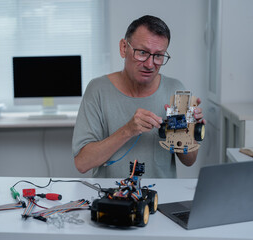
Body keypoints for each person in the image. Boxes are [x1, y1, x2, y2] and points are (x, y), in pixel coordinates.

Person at [72, 15, 205, 178]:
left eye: (158, 56)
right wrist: (128, 130)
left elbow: (189, 160)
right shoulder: (98, 89)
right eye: (142, 52)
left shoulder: (175, 90)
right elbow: (82, 163)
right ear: (123, 48)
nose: (150, 64)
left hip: (161, 197)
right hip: (110, 198)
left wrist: (183, 131)